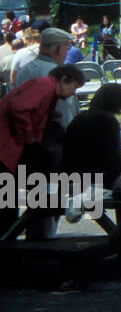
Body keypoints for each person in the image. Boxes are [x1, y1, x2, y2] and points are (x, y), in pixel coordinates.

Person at [0, 65, 85, 237]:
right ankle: (6, 243)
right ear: (63, 80)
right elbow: (19, 109)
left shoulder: (46, 89)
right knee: (5, 202)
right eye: (74, 87)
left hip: (8, 149)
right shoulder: (44, 85)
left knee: (7, 199)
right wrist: (29, 138)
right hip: (5, 148)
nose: (73, 93)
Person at [62, 84, 121, 187]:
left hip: (73, 172)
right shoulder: (108, 121)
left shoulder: (79, 118)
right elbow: (115, 161)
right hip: (97, 175)